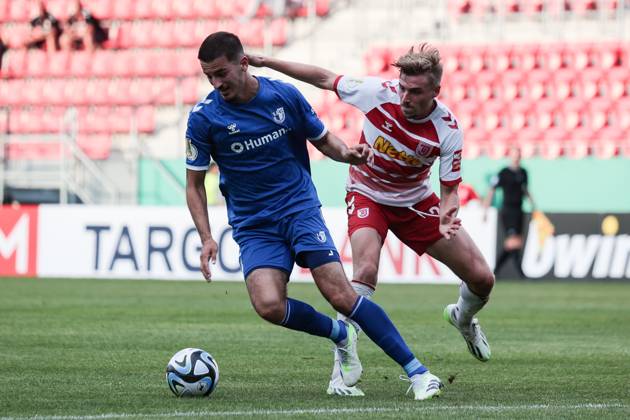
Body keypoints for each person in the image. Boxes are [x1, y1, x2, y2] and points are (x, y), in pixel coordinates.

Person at [185, 31, 444, 400]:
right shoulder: (203, 118)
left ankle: (419, 372)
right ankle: (340, 335)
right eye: (209, 76)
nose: (216, 82)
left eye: (222, 73)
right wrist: (207, 237)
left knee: (341, 294)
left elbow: (324, 140)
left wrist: (348, 154)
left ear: (243, 63)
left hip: (298, 209)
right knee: (269, 305)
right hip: (253, 224)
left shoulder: (284, 97)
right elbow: (194, 185)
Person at [248, 43, 495, 396]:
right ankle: (340, 372)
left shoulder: (448, 130)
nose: (406, 97)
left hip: (415, 202)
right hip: (367, 194)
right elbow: (323, 77)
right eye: (403, 87)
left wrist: (446, 214)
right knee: (364, 272)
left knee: (482, 279)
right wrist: (265, 61)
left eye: (416, 91)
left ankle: (463, 318)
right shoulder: (377, 93)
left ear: (435, 92)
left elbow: (450, 189)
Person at [483, 147, 535, 278]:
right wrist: (486, 209)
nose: (516, 157)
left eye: (518, 155)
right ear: (510, 156)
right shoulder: (504, 172)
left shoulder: (523, 172)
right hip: (508, 210)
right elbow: (492, 189)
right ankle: (518, 273)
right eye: (514, 155)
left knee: (516, 242)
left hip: (519, 210)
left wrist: (533, 205)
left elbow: (525, 189)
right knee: (513, 242)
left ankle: (496, 271)